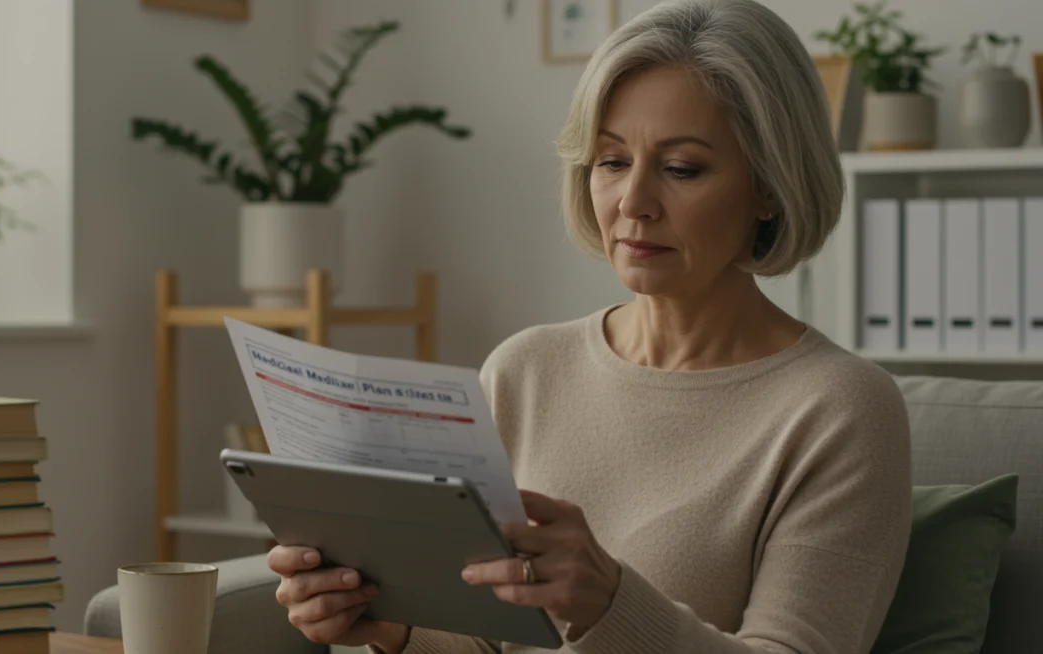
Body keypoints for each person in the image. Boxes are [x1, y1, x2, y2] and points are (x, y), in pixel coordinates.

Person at [267, 0, 913, 651]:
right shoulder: (524, 369)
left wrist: (611, 603)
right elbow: (488, 641)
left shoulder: (840, 409)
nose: (633, 203)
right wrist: (394, 630)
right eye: (610, 161)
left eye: (682, 168)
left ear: (770, 185)